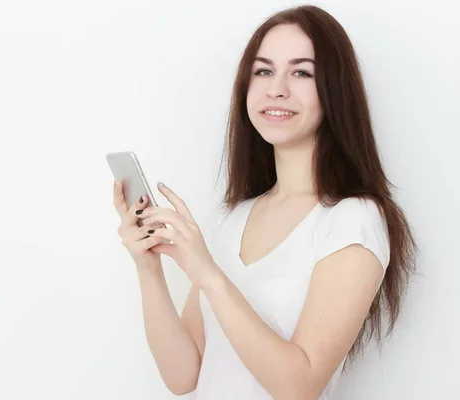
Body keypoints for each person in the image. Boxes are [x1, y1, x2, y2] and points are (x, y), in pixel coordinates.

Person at [112, 5, 417, 400]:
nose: (277, 88)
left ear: (334, 91)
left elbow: (300, 387)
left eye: (302, 72)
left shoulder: (353, 219)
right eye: (264, 71)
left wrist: (207, 273)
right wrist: (148, 267)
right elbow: (183, 375)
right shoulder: (237, 218)